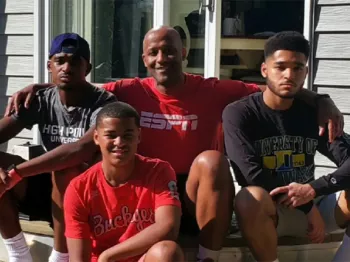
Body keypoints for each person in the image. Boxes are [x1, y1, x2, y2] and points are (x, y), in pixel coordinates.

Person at [3, 26, 344, 262]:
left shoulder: (217, 90)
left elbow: (275, 87)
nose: (162, 57)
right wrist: (40, 88)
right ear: (144, 57)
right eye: (154, 52)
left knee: (212, 159)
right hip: (149, 190)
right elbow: (77, 84)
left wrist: (320, 99)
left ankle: (207, 256)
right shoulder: (126, 90)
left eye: (170, 50)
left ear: (184, 52)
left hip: (197, 191)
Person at [223, 31, 350, 262]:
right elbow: (251, 175)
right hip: (272, 212)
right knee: (248, 198)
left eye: (297, 68)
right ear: (264, 70)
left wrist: (314, 190)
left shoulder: (314, 114)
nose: (289, 75)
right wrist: (307, 207)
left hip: (314, 204)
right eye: (280, 67)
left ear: (306, 72)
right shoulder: (240, 113)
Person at [0, 33, 116, 262]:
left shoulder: (104, 103)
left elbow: (79, 150)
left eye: (75, 61)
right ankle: (19, 255)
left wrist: (18, 173)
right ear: (49, 66)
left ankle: (61, 256)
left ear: (88, 67)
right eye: (60, 61)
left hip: (89, 196)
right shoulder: (41, 100)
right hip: (48, 193)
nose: (67, 67)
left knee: (66, 168)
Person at [64, 101, 183, 262]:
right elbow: (78, 258)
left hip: (141, 258)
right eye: (111, 135)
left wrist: (108, 255)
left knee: (166, 252)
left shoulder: (158, 171)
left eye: (127, 135)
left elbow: (168, 228)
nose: (119, 142)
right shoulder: (79, 188)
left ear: (139, 136)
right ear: (97, 138)